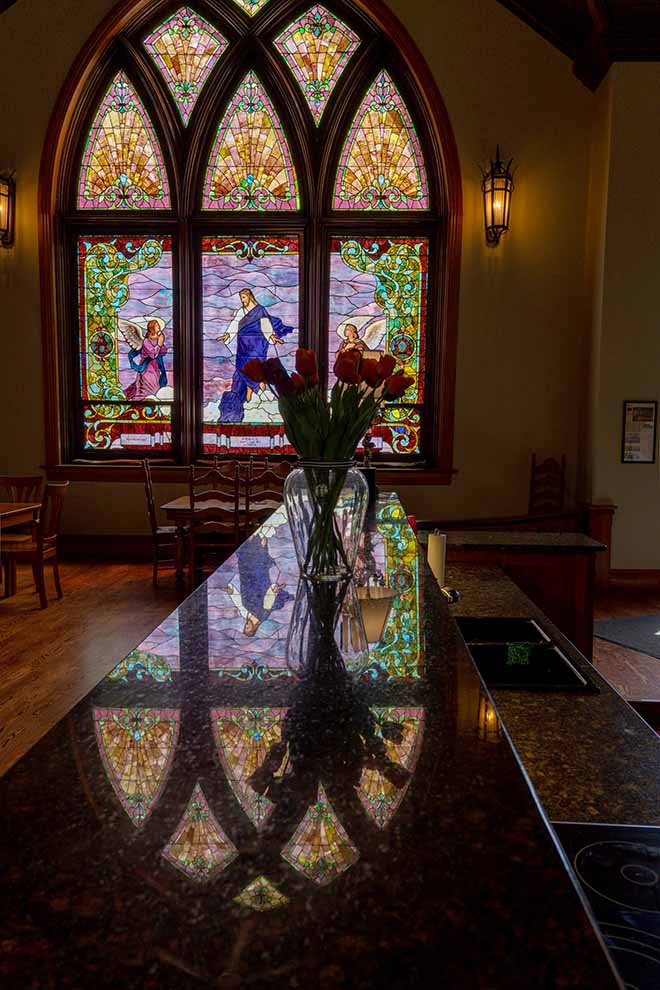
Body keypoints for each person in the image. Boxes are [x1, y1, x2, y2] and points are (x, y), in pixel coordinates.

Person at [218, 288, 294, 423]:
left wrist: (272, 338)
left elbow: (266, 327)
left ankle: (259, 393)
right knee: (242, 369)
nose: (242, 301)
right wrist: (228, 335)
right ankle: (248, 396)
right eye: (241, 298)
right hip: (243, 346)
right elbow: (235, 324)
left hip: (257, 346)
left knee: (256, 369)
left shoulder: (260, 311)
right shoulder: (241, 311)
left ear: (250, 297)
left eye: (244, 298)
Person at [124, 318, 168, 401]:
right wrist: (159, 344)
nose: (158, 327)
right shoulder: (146, 341)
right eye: (156, 325)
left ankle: (153, 403)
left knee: (156, 386)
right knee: (148, 387)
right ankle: (144, 403)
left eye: (158, 325)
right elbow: (153, 354)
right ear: (152, 328)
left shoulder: (158, 338)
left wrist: (161, 343)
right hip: (147, 368)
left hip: (156, 367)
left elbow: (163, 352)